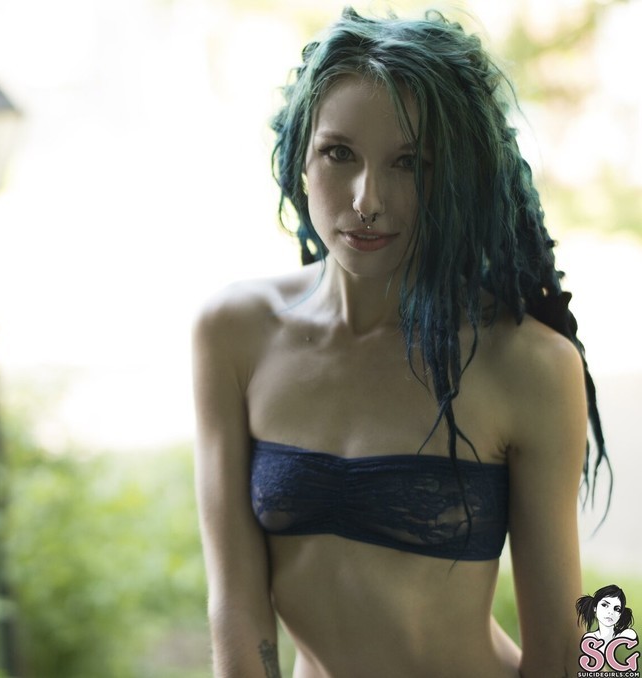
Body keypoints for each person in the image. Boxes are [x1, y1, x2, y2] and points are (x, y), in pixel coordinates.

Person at [192, 7, 609, 677]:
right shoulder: (235, 333)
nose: (367, 200)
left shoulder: (526, 363)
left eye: (410, 163)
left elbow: (564, 647)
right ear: (300, 159)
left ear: (456, 179)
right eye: (339, 153)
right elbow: (236, 609)